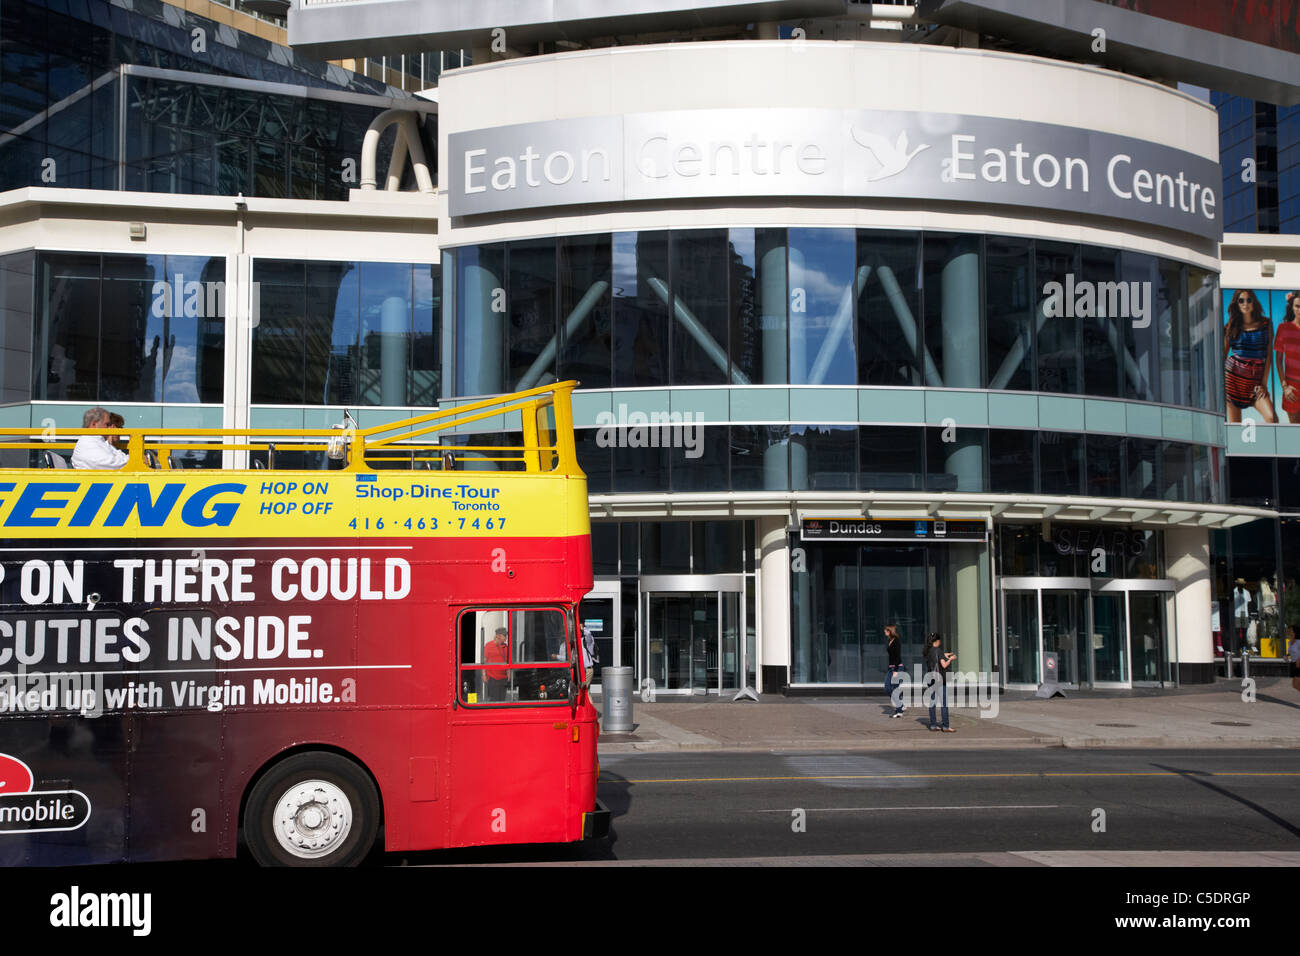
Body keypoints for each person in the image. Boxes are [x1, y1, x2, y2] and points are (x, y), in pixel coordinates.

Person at [1223, 290, 1277, 424]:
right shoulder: (1230, 327)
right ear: (1237, 304)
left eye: (1249, 300)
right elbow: (1222, 356)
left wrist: (1264, 383)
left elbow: (1269, 354)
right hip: (1232, 381)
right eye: (1241, 300)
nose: (1245, 303)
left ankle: (1269, 445)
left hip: (1255, 384)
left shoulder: (1266, 324)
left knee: (1272, 419)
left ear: (1254, 303)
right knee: (1235, 426)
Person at [924, 632, 956, 732]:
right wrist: (951, 659)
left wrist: (945, 655)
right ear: (937, 641)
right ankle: (946, 726)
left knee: (932, 703)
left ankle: (933, 725)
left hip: (931, 679)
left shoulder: (927, 651)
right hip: (940, 680)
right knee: (944, 704)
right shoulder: (939, 650)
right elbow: (944, 665)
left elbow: (936, 657)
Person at [1276, 292, 1300, 424]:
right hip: (1292, 388)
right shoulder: (1283, 329)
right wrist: (1285, 387)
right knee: (1296, 435)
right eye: (1297, 306)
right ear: (1292, 307)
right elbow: (1278, 361)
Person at [483, 626, 510, 701]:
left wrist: (509, 673)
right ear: (498, 636)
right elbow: (484, 661)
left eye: (506, 635)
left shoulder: (505, 647)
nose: (506, 637)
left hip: (503, 677)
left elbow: (507, 661)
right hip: (493, 677)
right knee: (494, 699)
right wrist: (484, 674)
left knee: (502, 699)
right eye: (504, 635)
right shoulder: (488, 646)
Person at [884, 625, 905, 717]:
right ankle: (900, 704)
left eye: (886, 630)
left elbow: (897, 656)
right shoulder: (889, 641)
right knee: (887, 688)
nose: (884, 631)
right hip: (891, 668)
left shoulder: (896, 641)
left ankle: (899, 711)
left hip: (897, 668)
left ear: (890, 631)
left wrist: (896, 670)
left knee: (894, 689)